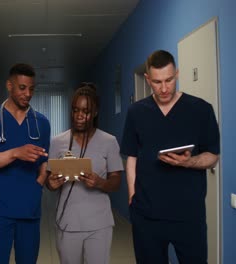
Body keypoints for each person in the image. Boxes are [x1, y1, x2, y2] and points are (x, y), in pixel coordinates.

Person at [121, 50, 220, 264]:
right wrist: (132, 196)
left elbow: (213, 156)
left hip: (188, 215)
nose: (164, 88)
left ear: (176, 74)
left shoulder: (201, 110)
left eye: (169, 80)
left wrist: (189, 162)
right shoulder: (136, 112)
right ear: (147, 79)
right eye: (157, 82)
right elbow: (131, 156)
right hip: (146, 215)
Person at [0, 63, 51, 264]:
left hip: (29, 208)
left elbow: (44, 161)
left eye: (31, 89)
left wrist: (39, 183)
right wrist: (16, 153)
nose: (27, 94)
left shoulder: (41, 123)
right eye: (22, 88)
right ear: (9, 86)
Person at [47, 83, 123, 264]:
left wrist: (99, 183)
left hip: (99, 224)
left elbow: (116, 181)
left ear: (95, 112)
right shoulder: (58, 142)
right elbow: (48, 182)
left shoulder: (109, 141)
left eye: (85, 111)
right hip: (68, 222)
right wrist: (52, 184)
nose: (79, 116)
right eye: (75, 110)